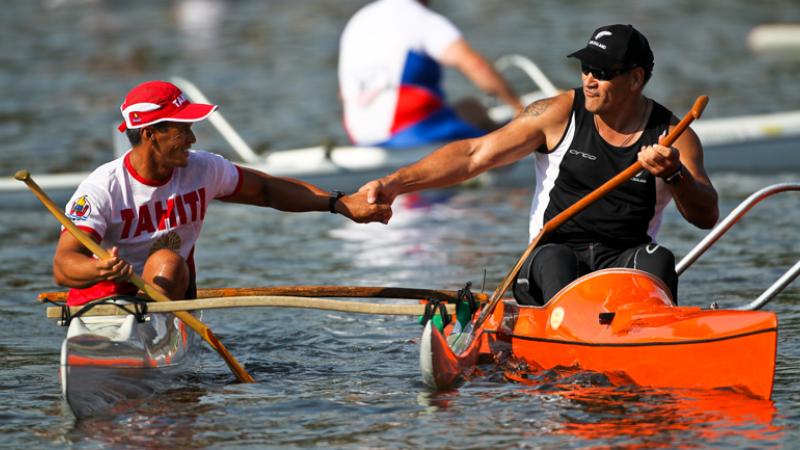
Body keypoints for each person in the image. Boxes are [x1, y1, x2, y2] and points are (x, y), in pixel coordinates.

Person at [359, 24, 719, 305]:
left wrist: (674, 174)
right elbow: (474, 155)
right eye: (585, 68)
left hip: (622, 264)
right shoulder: (557, 113)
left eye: (602, 72)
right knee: (555, 260)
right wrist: (395, 183)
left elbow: (706, 216)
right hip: (552, 261)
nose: (589, 80)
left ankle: (649, 338)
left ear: (635, 79)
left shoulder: (674, 136)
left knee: (659, 260)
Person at [54, 80, 390, 306]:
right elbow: (63, 266)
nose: (193, 139)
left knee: (167, 261)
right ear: (151, 133)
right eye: (182, 129)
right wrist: (97, 269)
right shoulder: (102, 188)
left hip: (167, 294)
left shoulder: (203, 169)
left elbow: (269, 190)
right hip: (104, 303)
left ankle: (154, 326)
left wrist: (340, 204)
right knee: (167, 259)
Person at [338, 0, 524, 149]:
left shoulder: (359, 20)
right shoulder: (420, 18)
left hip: (360, 136)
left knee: (470, 107)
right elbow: (476, 65)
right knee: (489, 121)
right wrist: (520, 111)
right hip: (410, 134)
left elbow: (343, 92)